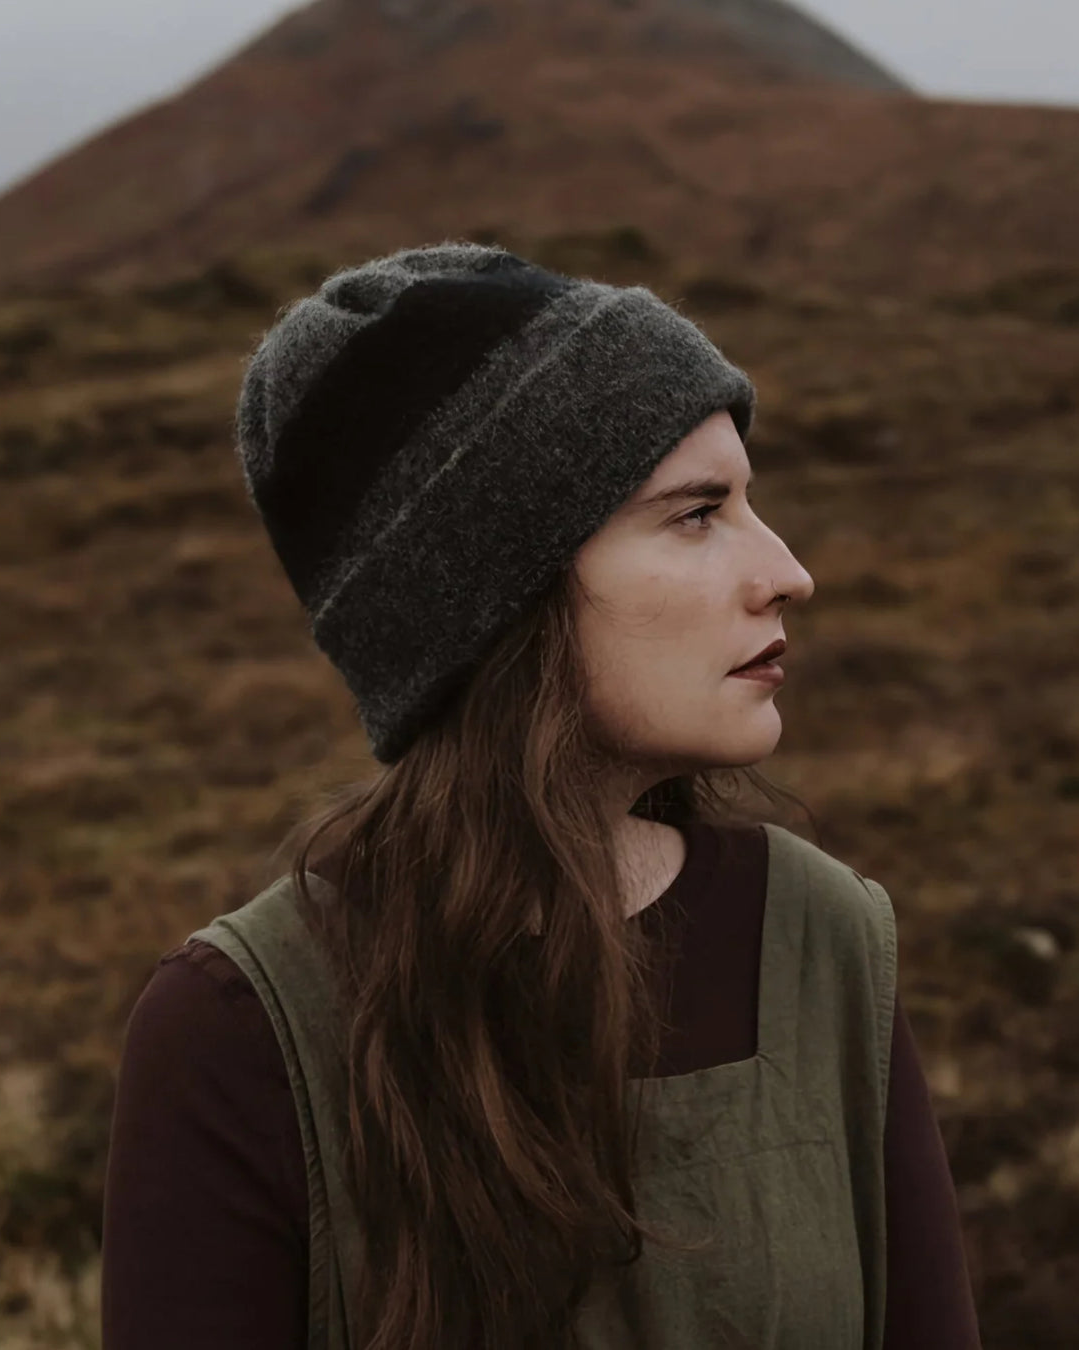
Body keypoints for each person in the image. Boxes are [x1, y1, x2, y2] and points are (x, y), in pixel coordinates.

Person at [101, 241, 982, 1349]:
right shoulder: (239, 1027)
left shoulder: (823, 941)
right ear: (492, 594)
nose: (786, 571)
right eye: (696, 512)